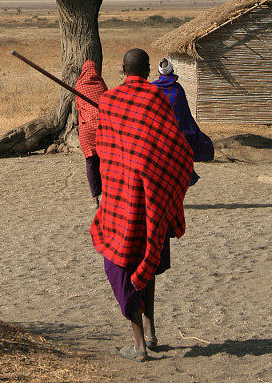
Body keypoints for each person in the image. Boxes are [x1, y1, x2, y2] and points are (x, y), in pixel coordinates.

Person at [90, 48, 193, 363]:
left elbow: (101, 149)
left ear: (122, 70)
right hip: (153, 201)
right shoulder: (156, 98)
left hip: (121, 203)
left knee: (120, 264)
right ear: (148, 70)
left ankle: (139, 346)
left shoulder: (108, 102)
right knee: (147, 266)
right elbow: (177, 150)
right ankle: (150, 332)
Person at [153, 57, 214, 185]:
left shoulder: (153, 89)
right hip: (178, 136)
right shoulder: (177, 89)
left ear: (159, 73)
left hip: (158, 137)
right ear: (172, 71)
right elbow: (184, 113)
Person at [75, 60, 107, 205]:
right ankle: (106, 193)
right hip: (102, 129)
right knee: (105, 161)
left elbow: (78, 106)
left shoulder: (79, 86)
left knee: (91, 162)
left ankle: (95, 196)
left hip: (86, 129)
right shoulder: (101, 84)